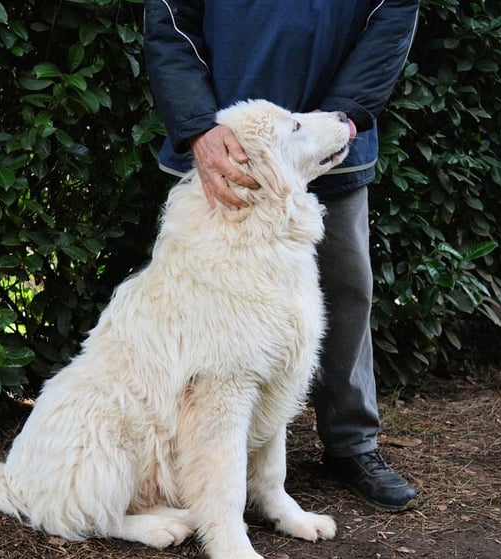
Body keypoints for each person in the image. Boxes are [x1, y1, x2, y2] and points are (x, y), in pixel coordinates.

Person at [143, 0, 420, 512]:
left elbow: (393, 13)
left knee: (344, 290)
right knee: (195, 319)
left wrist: (340, 117)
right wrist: (200, 125)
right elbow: (170, 20)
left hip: (325, 149)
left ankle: (352, 444)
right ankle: (165, 462)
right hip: (225, 155)